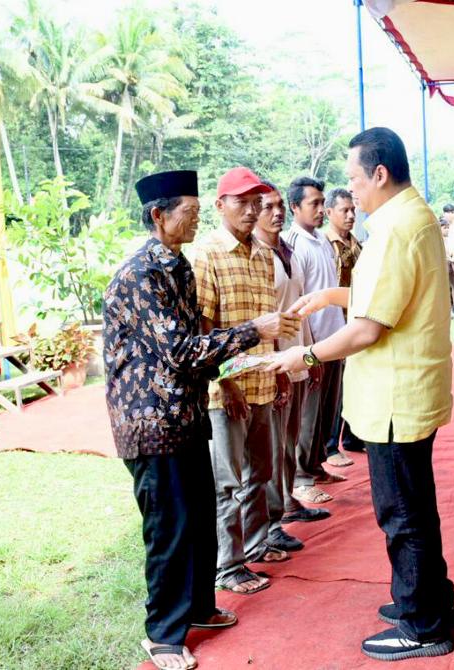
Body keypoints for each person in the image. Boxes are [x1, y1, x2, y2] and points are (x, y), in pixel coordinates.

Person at [269, 127, 454, 661]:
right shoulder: (410, 218)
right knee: (415, 507)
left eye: (353, 178)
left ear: (379, 173)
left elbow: (369, 328)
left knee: (402, 514)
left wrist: (304, 355)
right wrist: (332, 295)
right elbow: (391, 294)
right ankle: (431, 600)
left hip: (395, 396)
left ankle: (423, 624)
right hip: (406, 390)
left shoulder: (397, 228)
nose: (350, 190)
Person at [105, 170, 299, 670]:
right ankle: (163, 635)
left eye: (195, 212)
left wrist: (245, 363)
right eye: (188, 213)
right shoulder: (142, 274)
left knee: (196, 521)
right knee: (168, 530)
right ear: (158, 216)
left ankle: (198, 608)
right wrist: (253, 332)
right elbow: (181, 350)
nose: (194, 221)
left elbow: (198, 341)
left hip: (185, 415)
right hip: (151, 423)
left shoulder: (178, 266)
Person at [193, 167, 296, 595]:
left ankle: (256, 545)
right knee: (227, 482)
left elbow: (270, 320)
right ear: (220, 206)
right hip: (227, 391)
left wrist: (280, 366)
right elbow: (203, 327)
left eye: (257, 202)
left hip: (263, 380)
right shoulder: (207, 255)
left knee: (261, 472)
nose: (252, 211)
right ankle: (228, 566)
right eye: (243, 202)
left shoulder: (262, 254)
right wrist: (225, 382)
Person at [253, 181, 330, 555]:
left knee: (290, 438)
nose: (276, 212)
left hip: (299, 354)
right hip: (277, 362)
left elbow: (302, 306)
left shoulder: (287, 250)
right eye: (267, 206)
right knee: (274, 444)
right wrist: (279, 366)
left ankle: (286, 502)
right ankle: (272, 521)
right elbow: (260, 316)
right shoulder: (257, 256)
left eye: (279, 205)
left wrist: (311, 352)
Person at [282, 177, 348, 499]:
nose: (321, 209)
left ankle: (316, 465)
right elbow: (298, 299)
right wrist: (310, 349)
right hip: (314, 343)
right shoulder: (292, 243)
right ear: (295, 207)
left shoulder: (321, 239)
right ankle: (301, 479)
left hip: (335, 338)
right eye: (314, 204)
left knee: (326, 411)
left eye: (323, 203)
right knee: (308, 415)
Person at [323, 187, 365, 456]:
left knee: (356, 381)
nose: (351, 215)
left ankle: (352, 436)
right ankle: (329, 445)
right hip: (334, 322)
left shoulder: (356, 243)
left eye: (352, 210)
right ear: (329, 212)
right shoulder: (325, 245)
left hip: (356, 320)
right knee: (335, 388)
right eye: (344, 211)